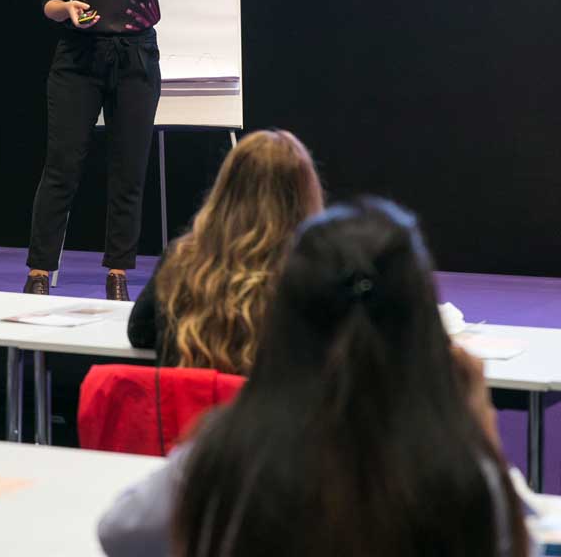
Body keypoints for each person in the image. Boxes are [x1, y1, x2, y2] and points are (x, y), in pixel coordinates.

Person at [98, 198, 531, 557]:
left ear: (284, 316)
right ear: (422, 326)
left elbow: (118, 532)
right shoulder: (463, 478)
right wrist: (479, 436)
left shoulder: (224, 458)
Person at [25, 0, 198, 301]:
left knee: (129, 168)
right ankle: (40, 270)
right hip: (79, 60)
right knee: (62, 166)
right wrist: (68, 9)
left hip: (136, 58)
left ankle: (118, 271)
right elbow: (49, 2)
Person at [127, 129, 324, 375]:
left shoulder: (182, 259)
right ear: (305, 194)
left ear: (225, 188)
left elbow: (139, 332)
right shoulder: (315, 272)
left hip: (191, 400)